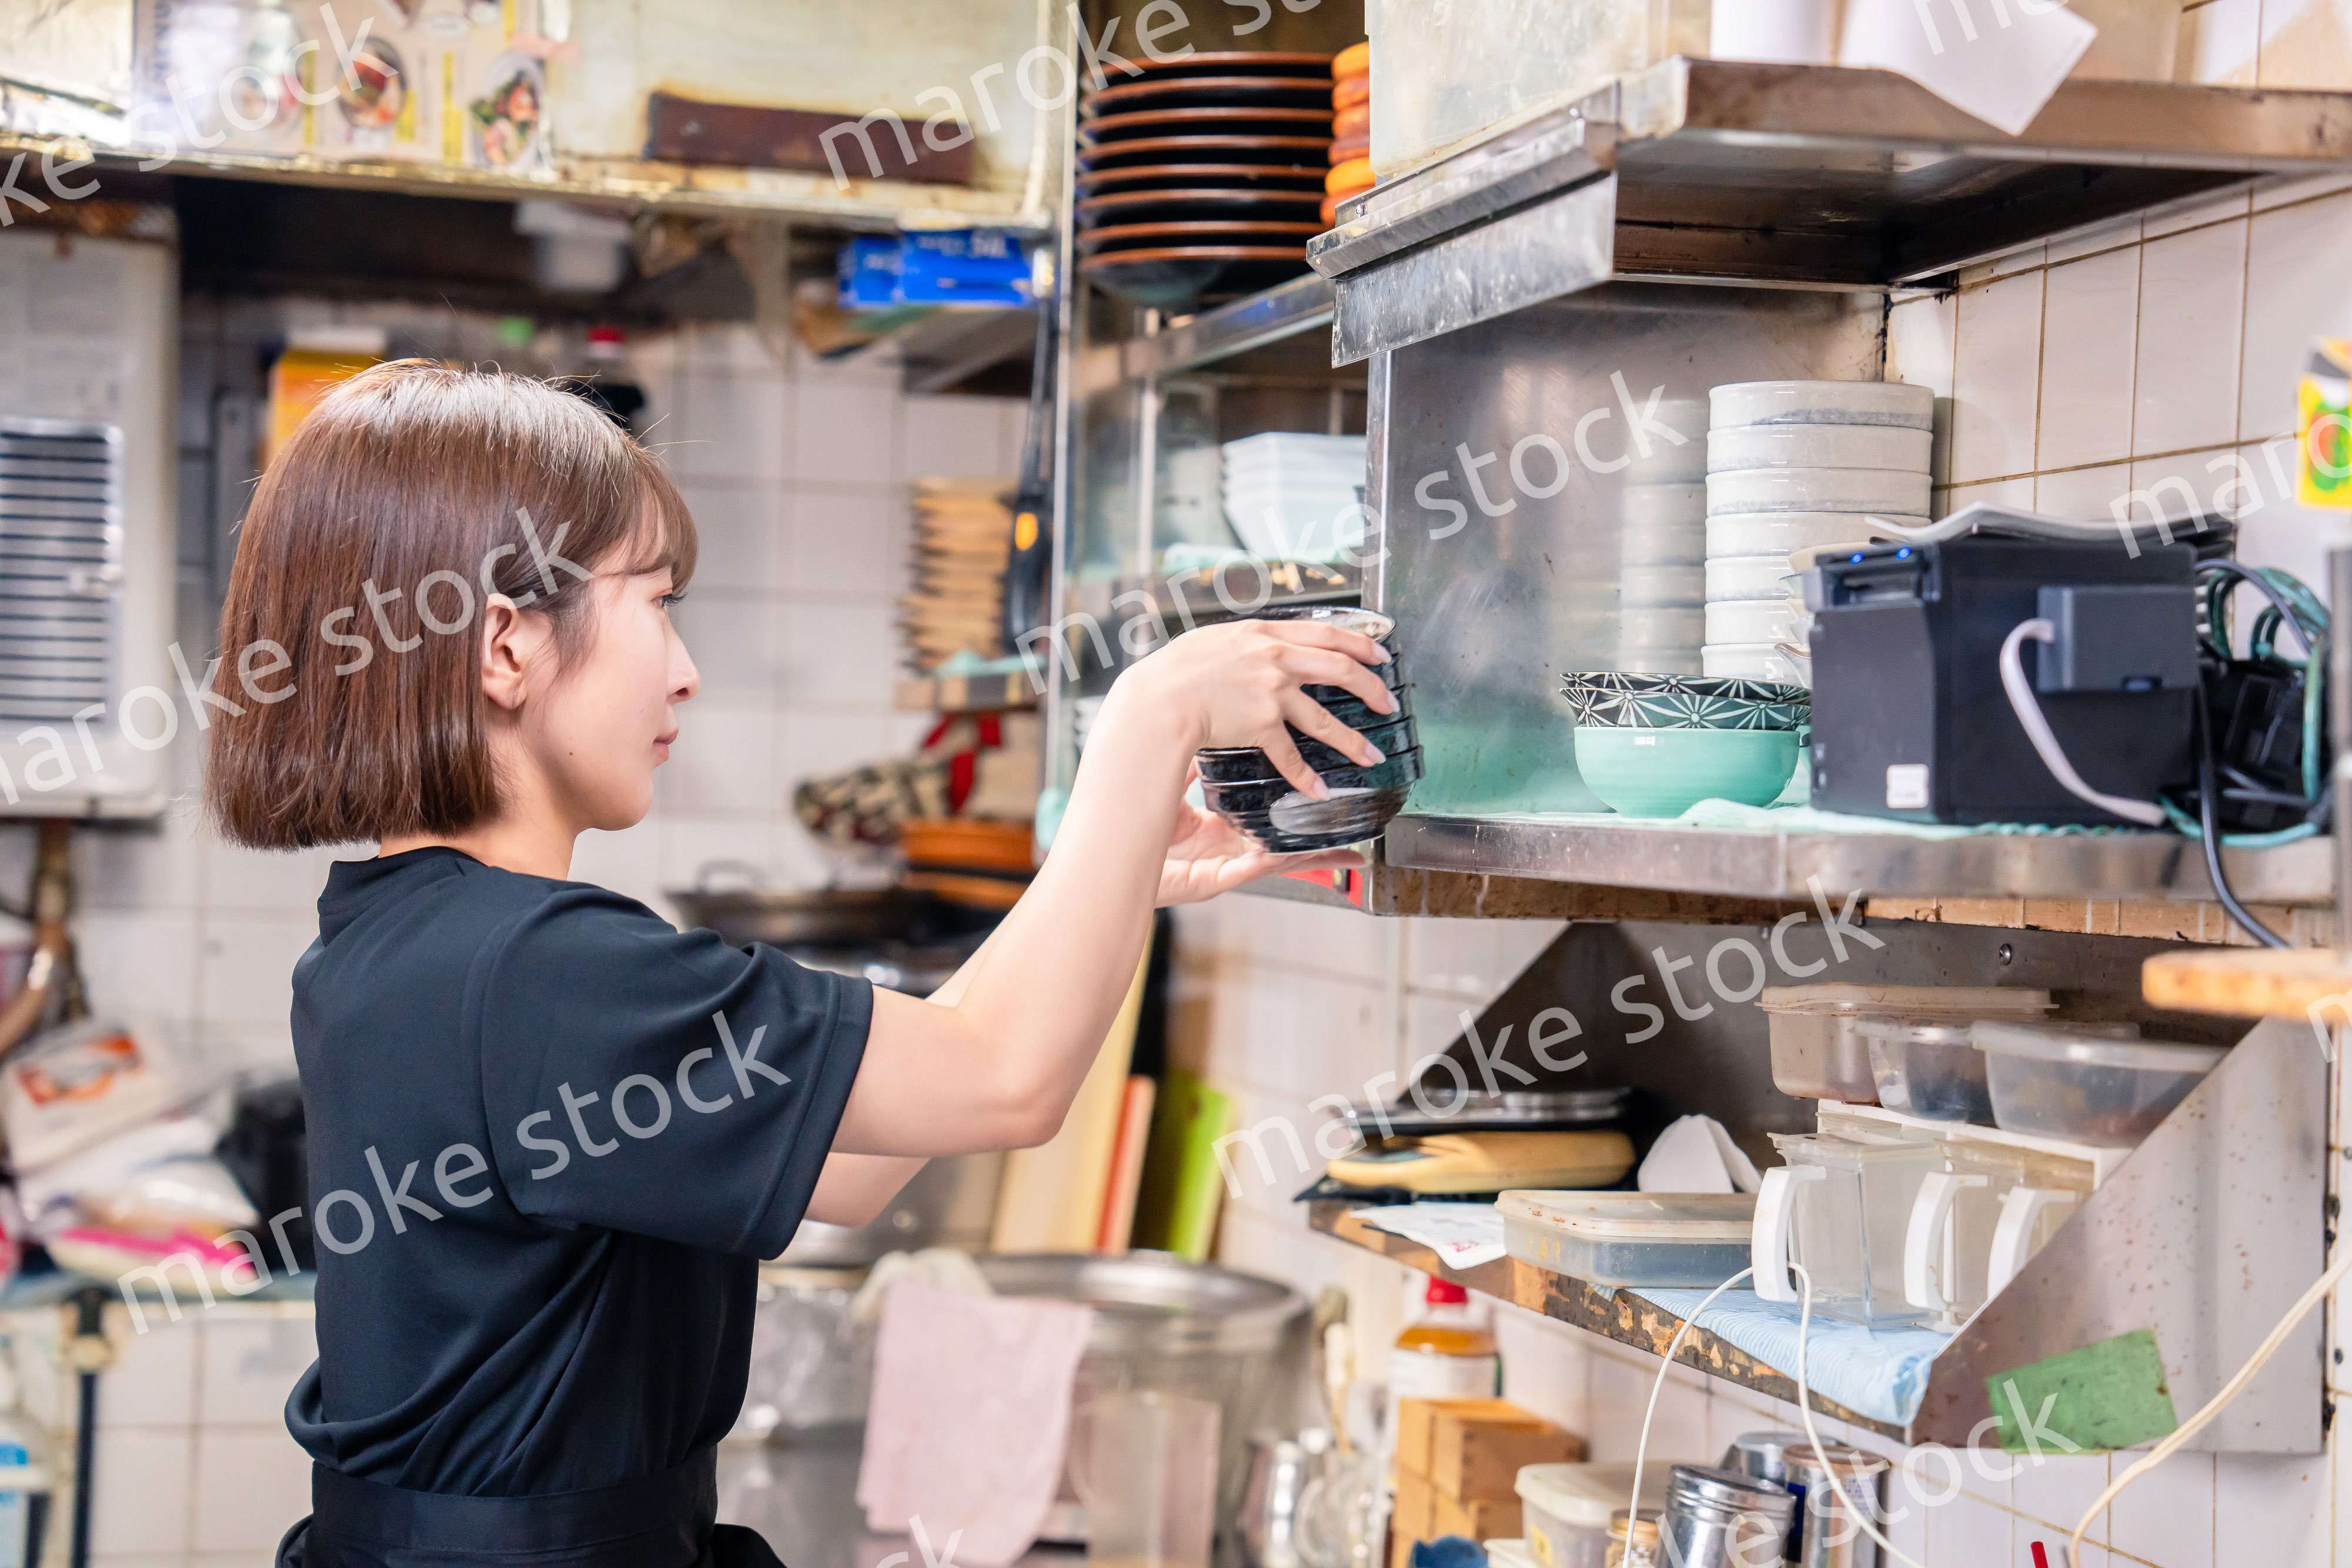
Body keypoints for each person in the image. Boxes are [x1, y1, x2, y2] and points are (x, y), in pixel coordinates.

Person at [203, 361, 1396, 1568]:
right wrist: (1148, 714)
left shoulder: (405, 940)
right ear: (506, 645)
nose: (684, 668)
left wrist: (1114, 874)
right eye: (654, 601)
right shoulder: (541, 971)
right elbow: (1006, 1081)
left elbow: (855, 1162)